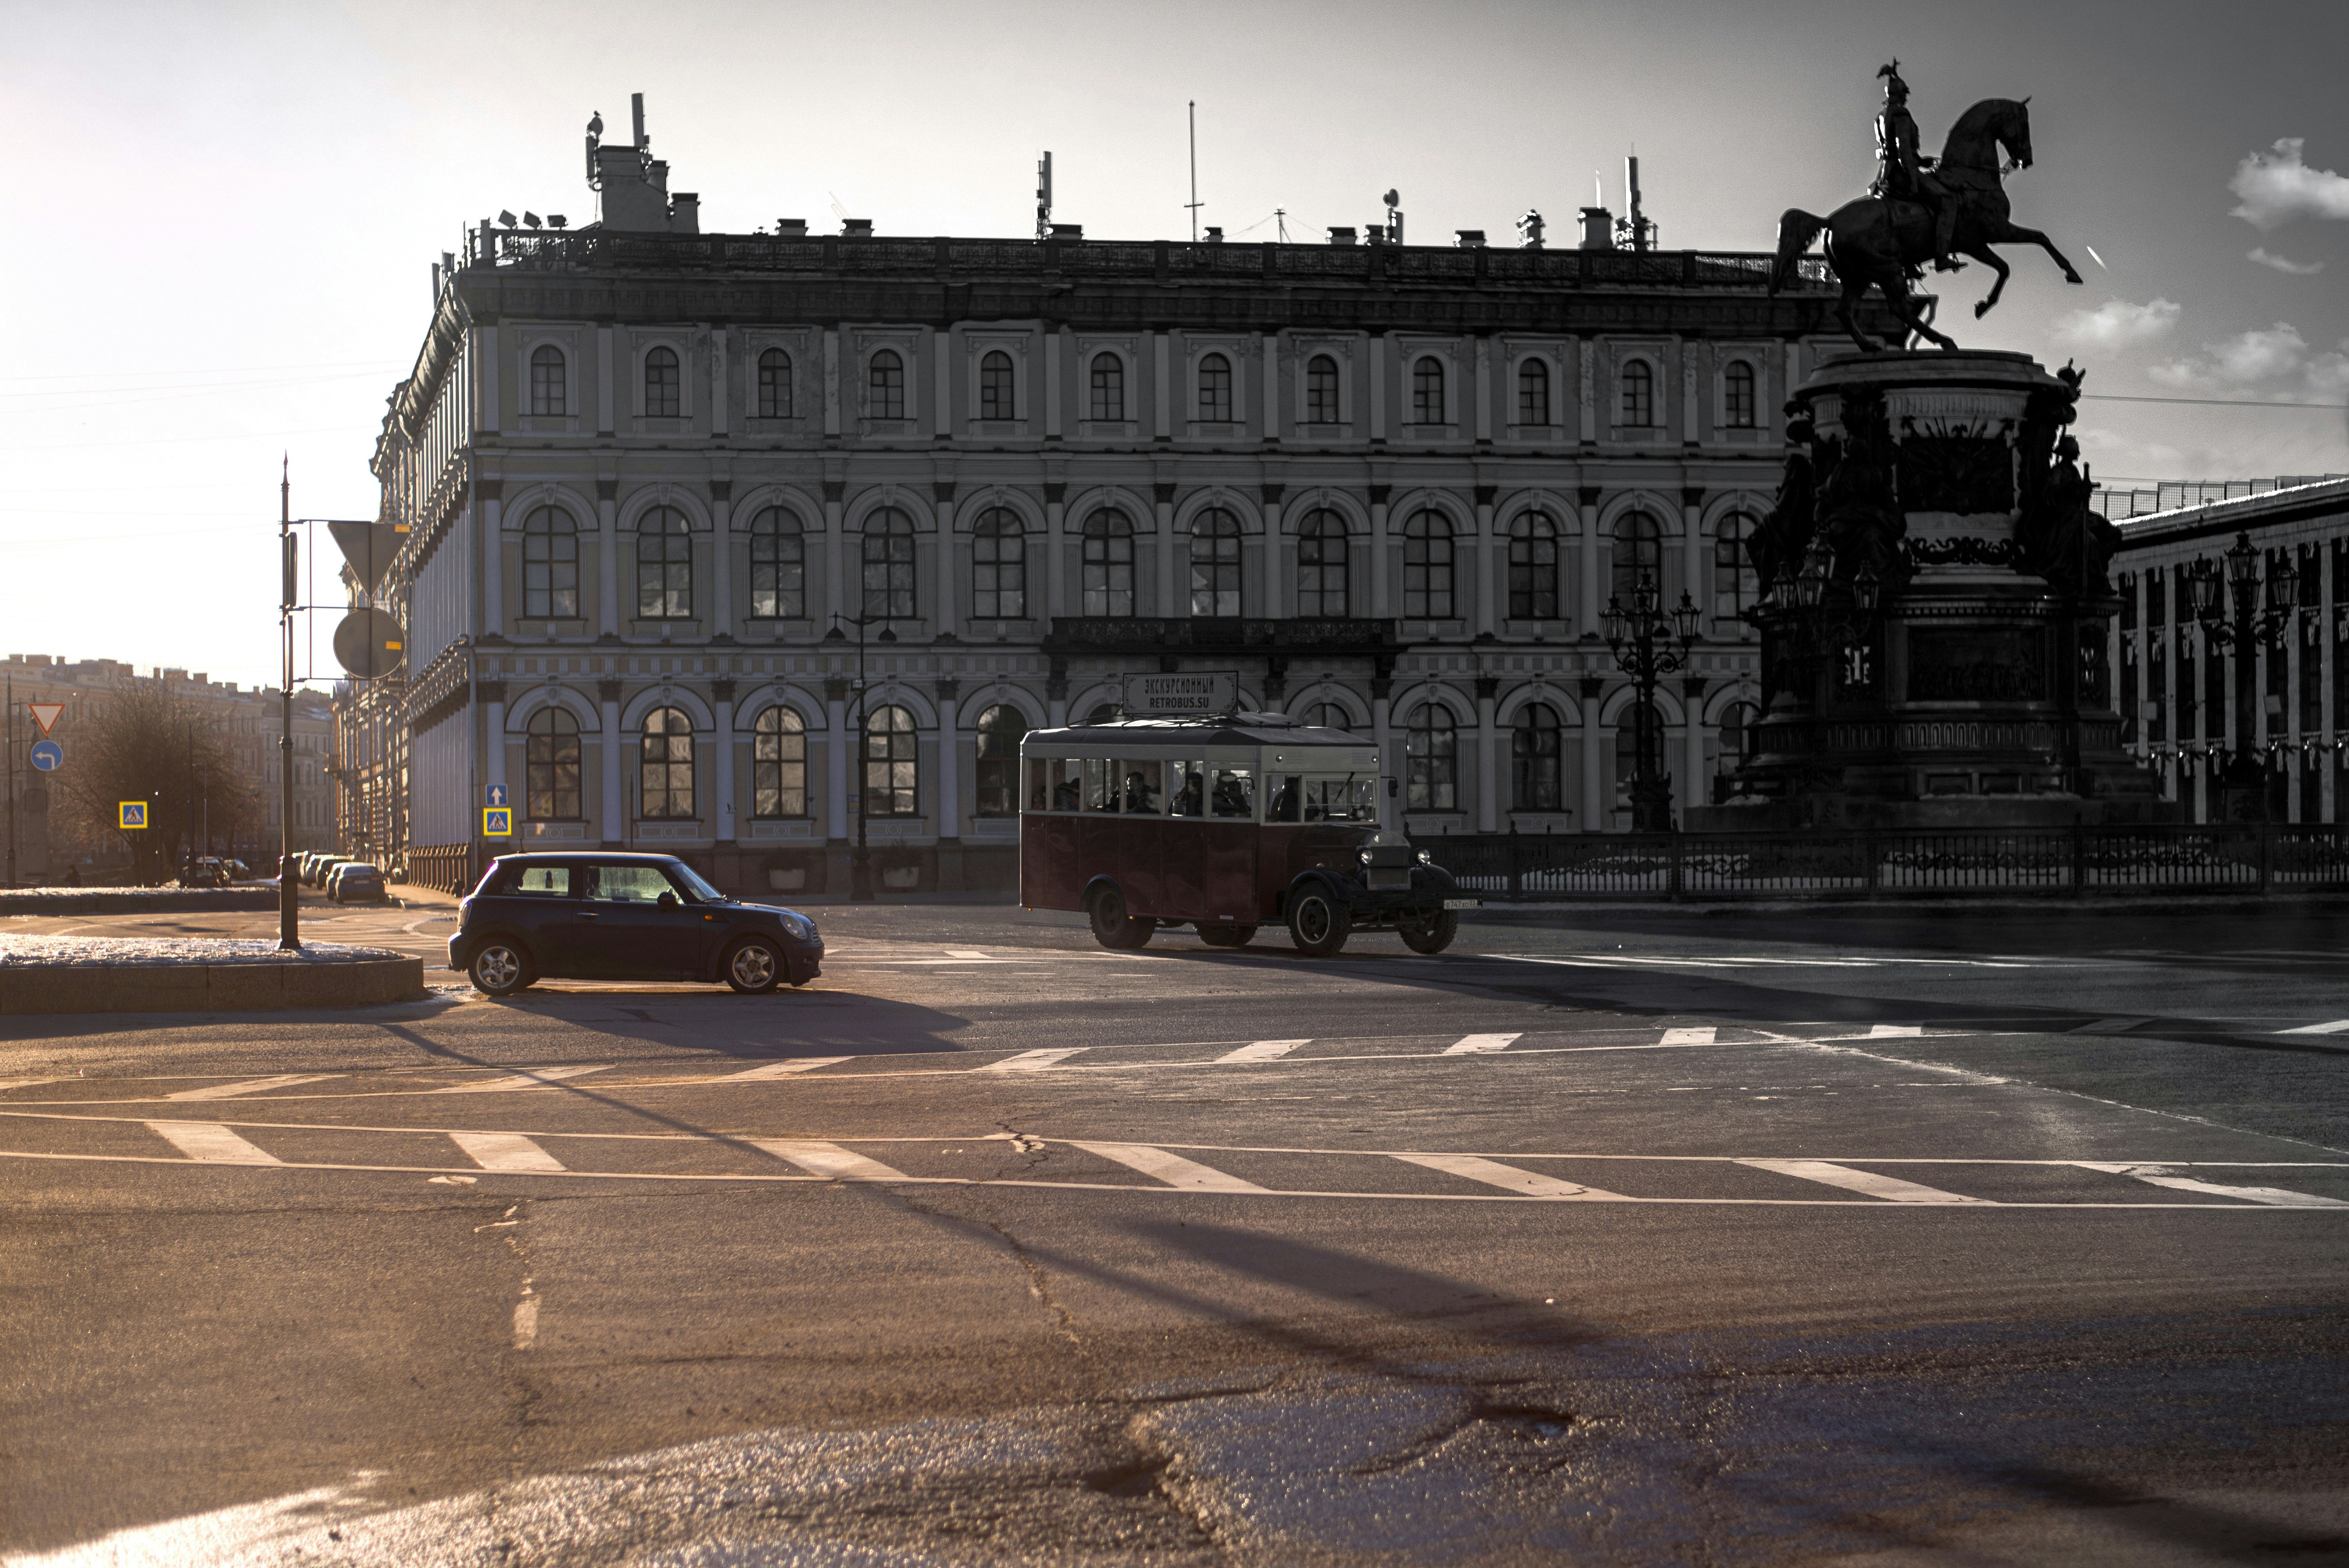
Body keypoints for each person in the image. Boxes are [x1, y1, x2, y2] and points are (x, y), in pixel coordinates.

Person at [1874, 61, 1957, 272]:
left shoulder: (1880, 117)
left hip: (1884, 173)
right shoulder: (1901, 114)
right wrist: (1913, 179)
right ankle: (1941, 257)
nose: (1906, 99)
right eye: (1905, 95)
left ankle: (1910, 261)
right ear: (1900, 94)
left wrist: (1921, 161)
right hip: (1900, 173)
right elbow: (1902, 150)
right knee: (1948, 201)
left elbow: (1890, 150)